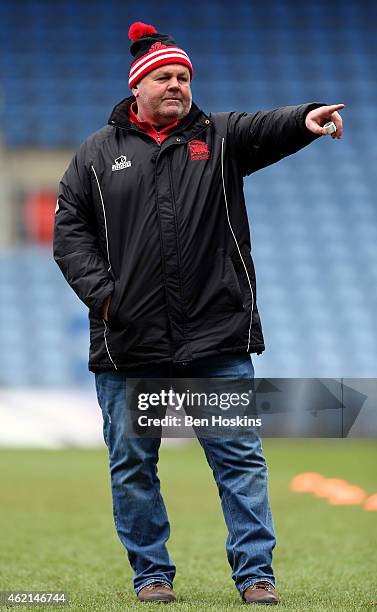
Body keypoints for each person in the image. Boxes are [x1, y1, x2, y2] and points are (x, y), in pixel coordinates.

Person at [53, 21, 344, 605]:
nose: (177, 85)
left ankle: (256, 574)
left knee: (239, 461)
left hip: (215, 338)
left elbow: (269, 126)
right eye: (164, 76)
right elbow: (69, 232)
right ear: (137, 86)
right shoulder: (94, 154)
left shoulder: (219, 136)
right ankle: (151, 575)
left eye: (184, 77)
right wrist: (107, 299)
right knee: (133, 467)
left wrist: (306, 117)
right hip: (129, 344)